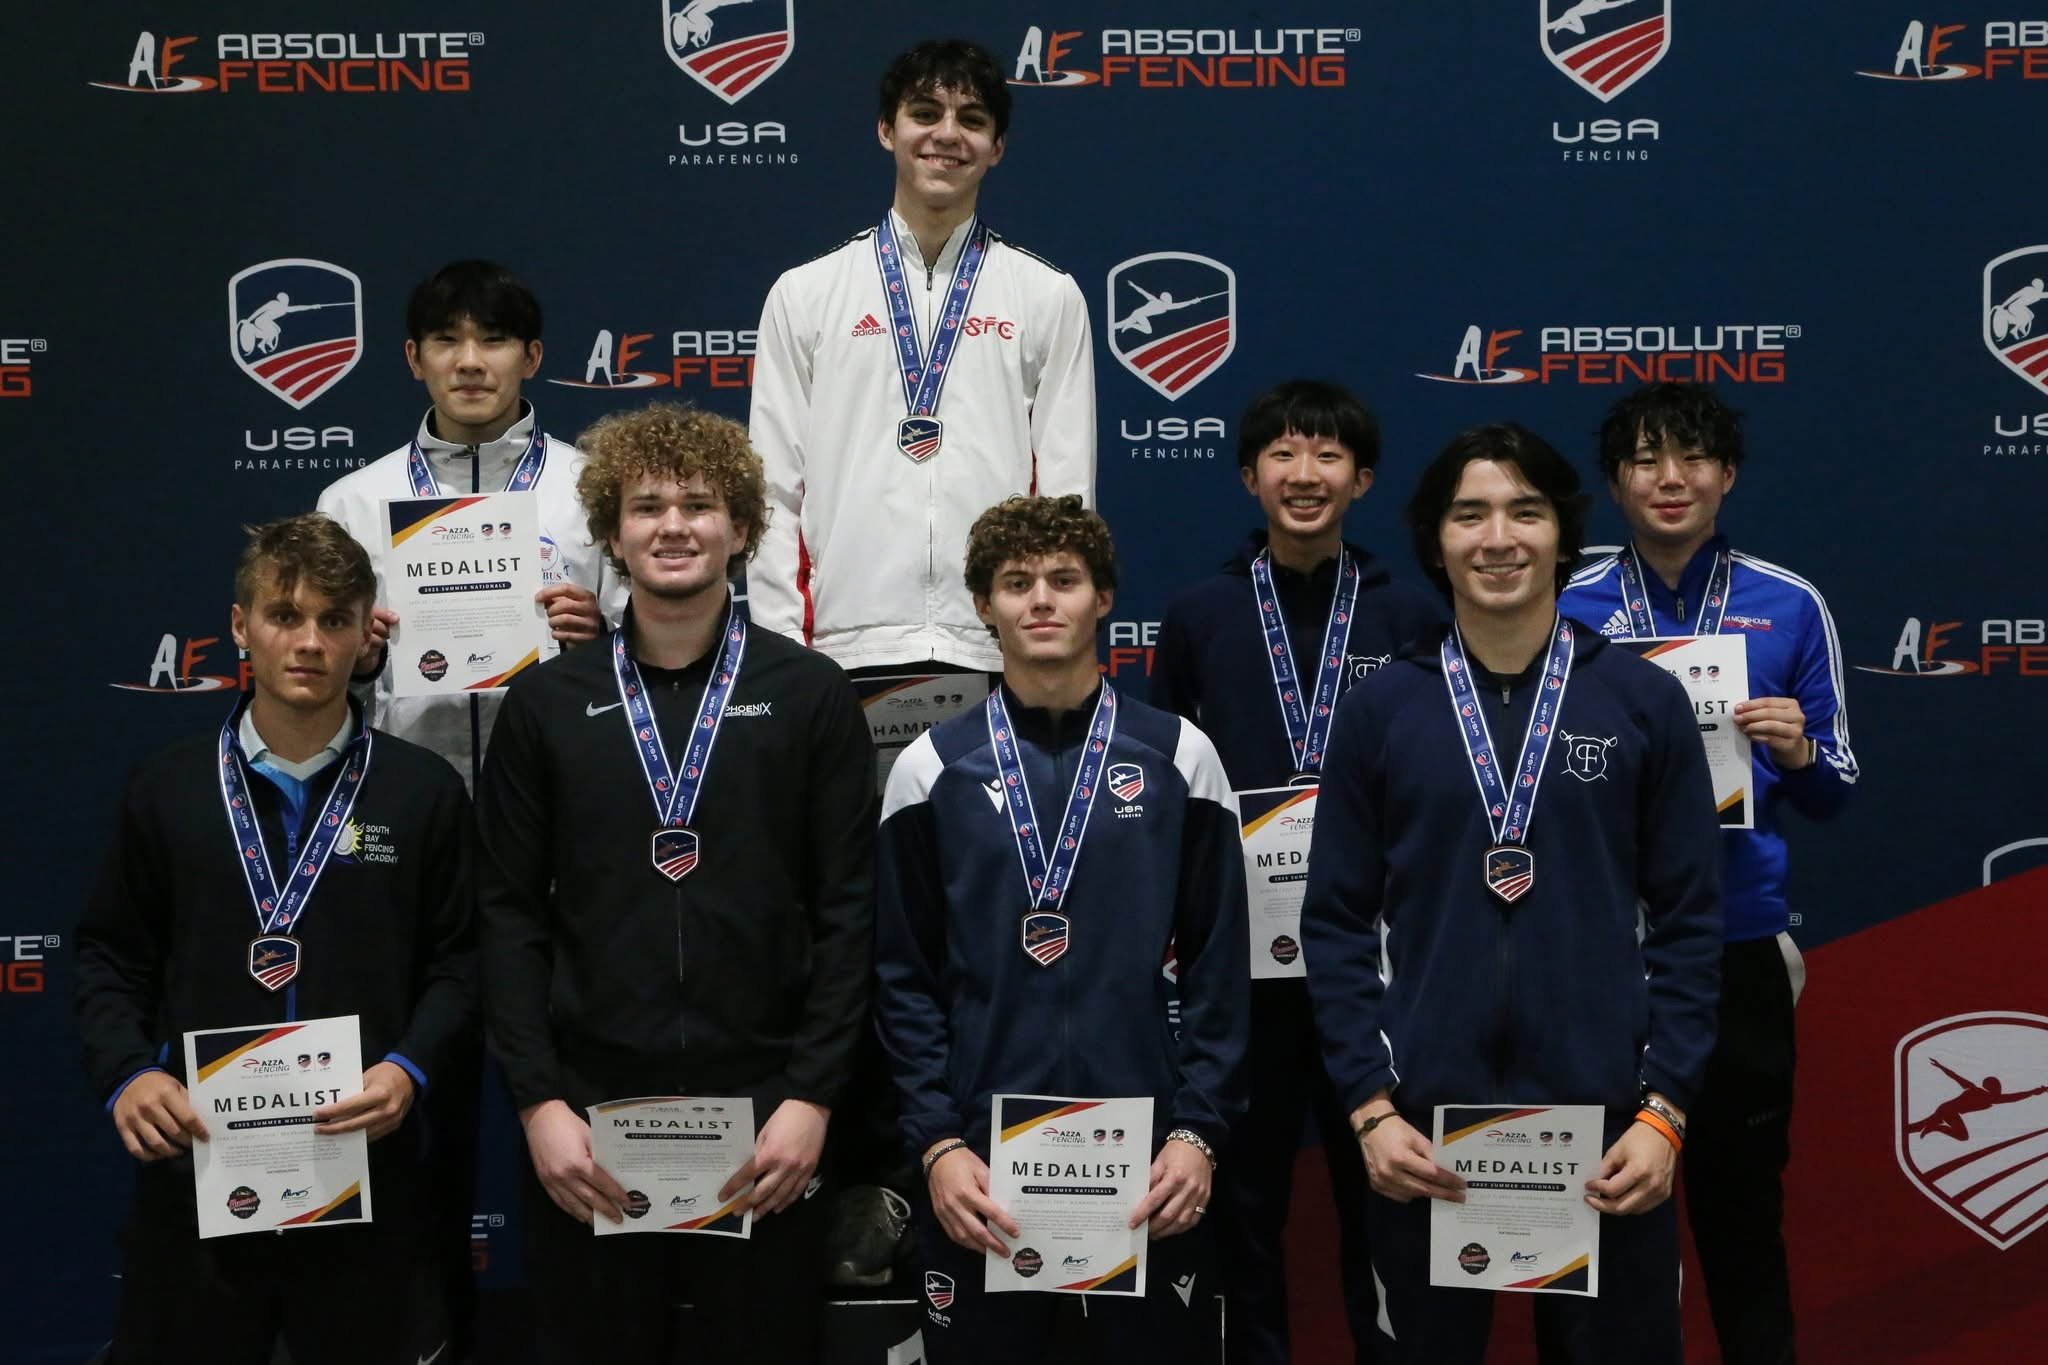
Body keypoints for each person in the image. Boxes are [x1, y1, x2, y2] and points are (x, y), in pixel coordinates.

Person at [1302, 425, 1722, 1363]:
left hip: (1612, 1137)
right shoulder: (1383, 709)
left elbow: (1690, 924)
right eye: (1470, 513)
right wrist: (1372, 1109)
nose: (1499, 537)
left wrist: (1666, 1112)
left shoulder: (1642, 703)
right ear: (1436, 538)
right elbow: (1332, 922)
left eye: (1525, 511)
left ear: (1563, 535)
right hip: (1424, 1140)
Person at [476, 402, 875, 1362]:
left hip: (766, 1123)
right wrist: (539, 1103)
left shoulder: (811, 694)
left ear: (741, 527)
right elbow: (507, 914)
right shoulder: (546, 705)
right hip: (590, 1121)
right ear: (610, 533)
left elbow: (850, 910)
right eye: (646, 505)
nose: (673, 526)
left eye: (699, 504)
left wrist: (812, 1097)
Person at [75, 514, 474, 1365]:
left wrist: (409, 1067)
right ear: (239, 626)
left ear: (368, 630)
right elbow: (108, 958)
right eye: (284, 614)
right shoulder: (167, 790)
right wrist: (127, 1074)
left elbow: (461, 962)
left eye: (335, 619)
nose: (308, 641)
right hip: (202, 1168)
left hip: (366, 1170)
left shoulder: (422, 792)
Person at [873, 494, 1248, 1362]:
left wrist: (1198, 1133)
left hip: (1151, 1169)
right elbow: (904, 976)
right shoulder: (931, 770)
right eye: (1016, 582)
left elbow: (1221, 970)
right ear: (983, 606)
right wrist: (936, 1144)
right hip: (982, 1171)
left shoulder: (1181, 758)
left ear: (1104, 598)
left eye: (1064, 580)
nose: (1041, 599)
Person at [1559, 382, 1858, 1365]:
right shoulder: (1566, 604)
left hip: (1733, 947)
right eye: (1645, 459)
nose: (1670, 477)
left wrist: (1799, 752)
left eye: (1690, 456)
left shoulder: (1787, 602)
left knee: (1739, 1218)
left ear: (1725, 475)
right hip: (1594, 956)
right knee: (1592, 1221)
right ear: (1613, 485)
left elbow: (1835, 793)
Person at [1151, 379, 1442, 1365]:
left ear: (1360, 479)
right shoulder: (1197, 616)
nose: (1303, 473)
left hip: (1370, 967)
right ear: (1247, 476)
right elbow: (1167, 794)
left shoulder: (1410, 613)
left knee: (1384, 1201)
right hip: (1239, 972)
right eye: (1281, 453)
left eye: (1326, 455)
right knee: (1244, 1206)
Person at [748, 39, 1094, 673]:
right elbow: (773, 491)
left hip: (995, 643)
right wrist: (783, 652)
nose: (947, 134)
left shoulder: (1047, 295)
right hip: (842, 645)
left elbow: (1066, 499)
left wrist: (1048, 647)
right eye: (926, 113)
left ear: (997, 147)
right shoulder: (806, 293)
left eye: (972, 119)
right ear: (887, 130)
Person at [316, 258, 618, 789]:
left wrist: (601, 640)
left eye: (495, 340)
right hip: (407, 792)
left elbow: (656, 660)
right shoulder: (351, 504)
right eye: (446, 341)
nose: (470, 362)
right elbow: (319, 681)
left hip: (559, 788)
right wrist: (358, 663)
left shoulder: (593, 489)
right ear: (415, 358)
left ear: (532, 357)